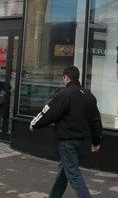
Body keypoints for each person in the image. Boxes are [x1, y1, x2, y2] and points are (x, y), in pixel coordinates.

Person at [29, 66, 102, 198]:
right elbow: (96, 121)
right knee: (64, 171)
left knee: (73, 174)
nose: (63, 81)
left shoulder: (64, 94)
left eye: (63, 78)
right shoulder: (89, 96)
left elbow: (49, 112)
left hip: (67, 141)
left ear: (66, 78)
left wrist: (35, 124)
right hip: (82, 141)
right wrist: (96, 141)